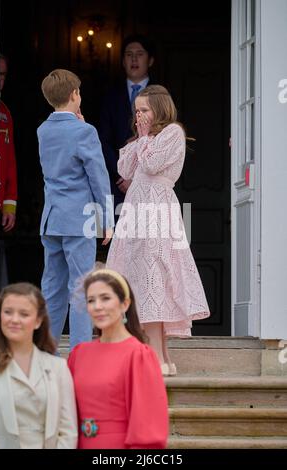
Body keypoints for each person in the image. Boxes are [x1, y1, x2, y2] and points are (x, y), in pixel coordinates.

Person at [106, 85, 210, 376]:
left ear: (160, 109)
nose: (139, 115)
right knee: (142, 275)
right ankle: (162, 356)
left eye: (145, 110)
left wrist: (142, 140)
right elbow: (124, 168)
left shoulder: (172, 133)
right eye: (136, 110)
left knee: (155, 274)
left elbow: (152, 165)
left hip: (157, 209)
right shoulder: (145, 139)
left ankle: (155, 355)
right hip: (136, 211)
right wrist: (140, 139)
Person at [37, 69, 114, 350]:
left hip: (52, 219)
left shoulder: (43, 130)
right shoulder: (86, 132)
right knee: (80, 288)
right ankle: (81, 353)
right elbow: (98, 176)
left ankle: (46, 351)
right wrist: (107, 218)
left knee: (52, 288)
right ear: (74, 95)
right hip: (79, 220)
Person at [68, 268, 169, 449]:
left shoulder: (139, 355)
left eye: (105, 298)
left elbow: (147, 428)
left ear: (125, 304)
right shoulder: (79, 354)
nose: (97, 306)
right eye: (91, 300)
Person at [0, 282, 78, 449]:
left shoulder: (58, 367)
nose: (14, 319)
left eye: (24, 314)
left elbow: (68, 432)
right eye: (8, 312)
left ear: (38, 321)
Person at [98, 34, 155, 213]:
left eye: (139, 54)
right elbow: (103, 140)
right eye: (129, 54)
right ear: (123, 61)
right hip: (117, 184)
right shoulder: (109, 96)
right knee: (116, 238)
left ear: (151, 60)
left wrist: (139, 176)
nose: (134, 59)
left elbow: (165, 137)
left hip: (152, 183)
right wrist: (123, 174)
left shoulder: (162, 96)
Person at [0, 54, 18, 292]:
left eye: (3, 75)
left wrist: (10, 205)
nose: (0, 79)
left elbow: (9, 161)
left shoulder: (4, 112)